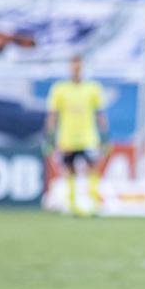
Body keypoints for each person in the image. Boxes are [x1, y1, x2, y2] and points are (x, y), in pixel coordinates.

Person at [45, 55, 108, 215]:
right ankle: (73, 206)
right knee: (70, 169)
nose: (76, 68)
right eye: (73, 65)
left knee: (93, 168)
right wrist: (50, 136)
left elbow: (100, 113)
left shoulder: (93, 88)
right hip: (67, 138)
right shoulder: (60, 89)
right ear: (69, 67)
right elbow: (52, 114)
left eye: (79, 65)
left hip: (88, 137)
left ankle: (94, 205)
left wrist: (105, 135)